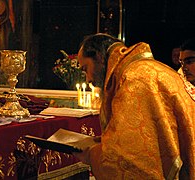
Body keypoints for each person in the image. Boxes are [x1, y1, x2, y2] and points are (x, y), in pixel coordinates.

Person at [73, 33, 195, 179]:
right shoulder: (143, 69)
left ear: (98, 57)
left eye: (85, 69)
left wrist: (92, 155)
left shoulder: (133, 80)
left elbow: (131, 160)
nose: (88, 79)